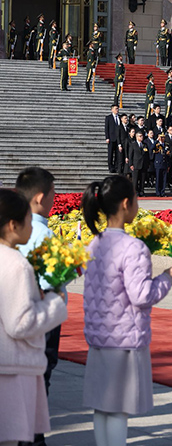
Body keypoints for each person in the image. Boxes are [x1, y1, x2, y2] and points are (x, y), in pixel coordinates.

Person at [81, 175, 172, 446]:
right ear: (126, 204)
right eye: (136, 198)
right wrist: (165, 279)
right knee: (118, 410)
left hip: (99, 336)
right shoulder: (134, 247)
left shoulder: (94, 243)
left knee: (102, 406)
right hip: (124, 338)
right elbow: (142, 294)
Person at [0, 188, 67, 446]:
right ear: (13, 225)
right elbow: (21, 323)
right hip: (13, 370)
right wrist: (53, 304)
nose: (32, 225)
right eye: (29, 220)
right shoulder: (17, 264)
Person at [15, 168, 64, 446]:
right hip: (41, 317)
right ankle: (34, 438)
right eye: (53, 194)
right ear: (41, 197)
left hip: (17, 316)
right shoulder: (42, 234)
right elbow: (49, 283)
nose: (54, 199)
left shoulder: (16, 227)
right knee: (40, 379)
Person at [128, 131, 149, 196]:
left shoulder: (144, 144)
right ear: (137, 137)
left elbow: (147, 155)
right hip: (136, 164)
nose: (141, 137)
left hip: (143, 164)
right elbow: (130, 155)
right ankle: (135, 191)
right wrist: (131, 164)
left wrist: (147, 164)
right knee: (135, 179)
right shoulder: (133, 144)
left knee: (142, 179)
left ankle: (142, 191)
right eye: (140, 136)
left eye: (142, 136)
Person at [105, 104, 123, 173]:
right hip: (111, 138)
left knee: (117, 154)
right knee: (110, 153)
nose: (117, 110)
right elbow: (107, 128)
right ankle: (110, 167)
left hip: (118, 139)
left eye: (117, 109)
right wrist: (107, 137)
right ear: (112, 110)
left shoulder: (119, 117)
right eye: (115, 109)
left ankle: (116, 167)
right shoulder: (108, 118)